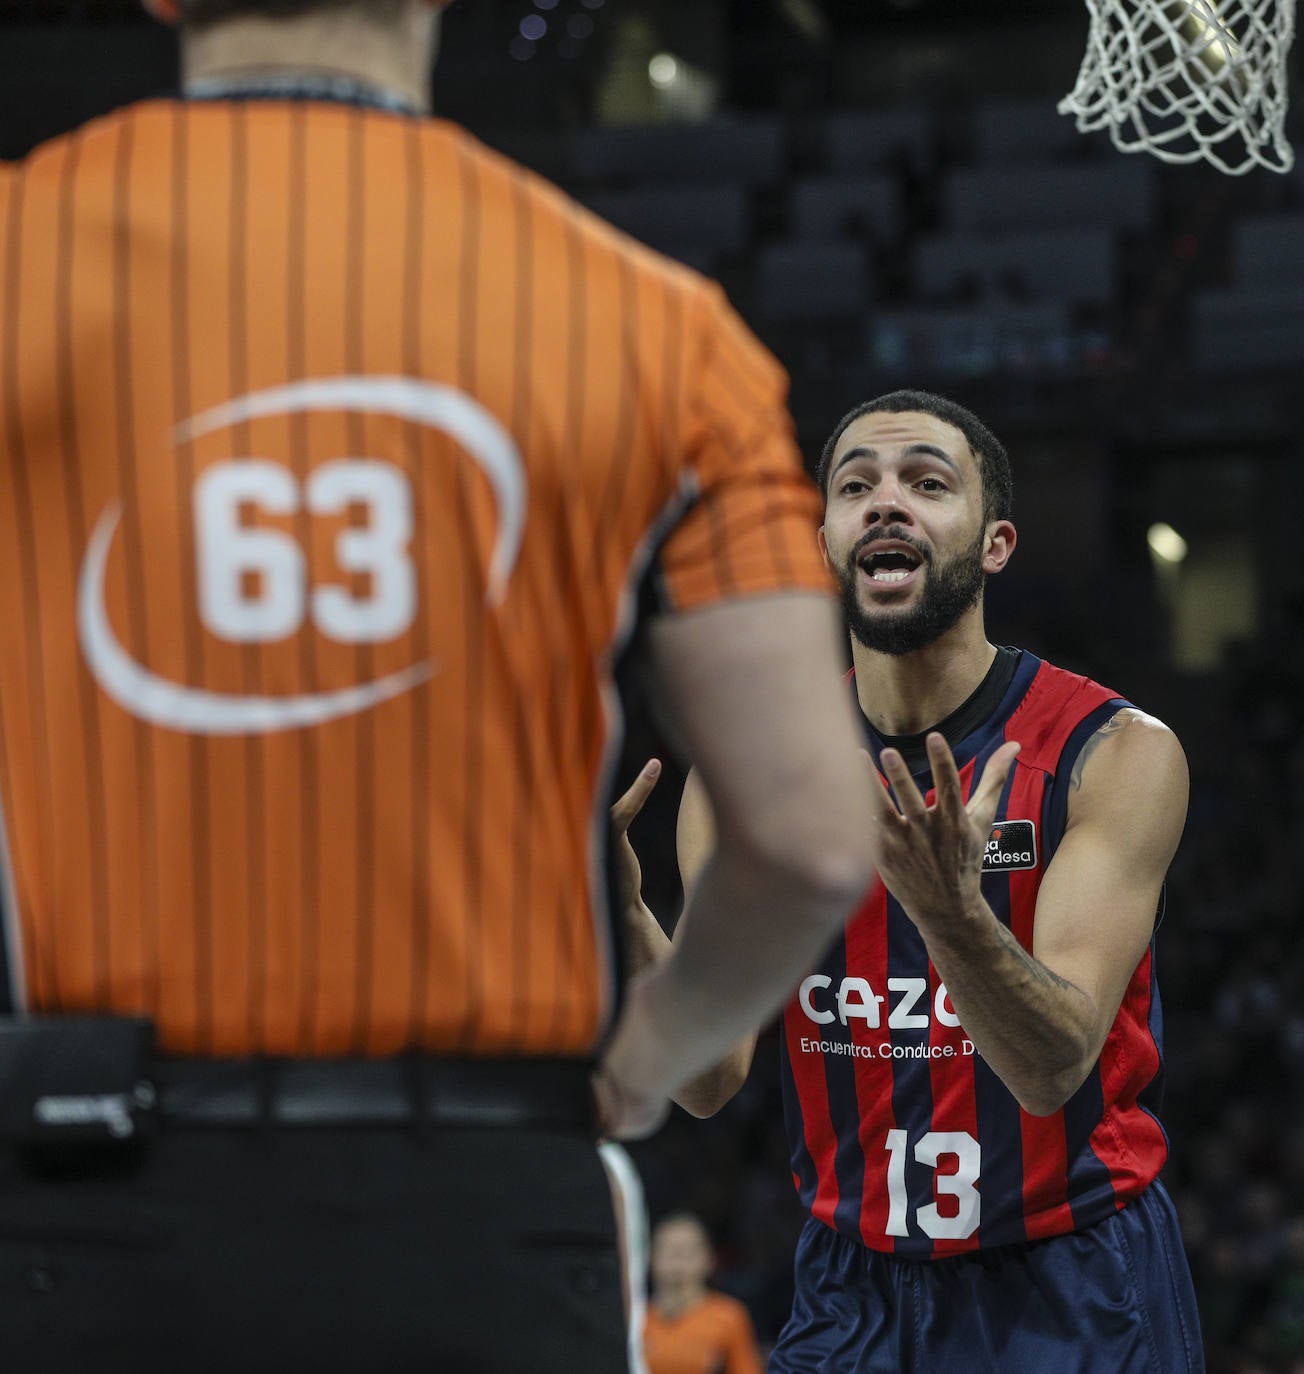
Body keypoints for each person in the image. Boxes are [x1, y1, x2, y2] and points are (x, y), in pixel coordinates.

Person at [0, 3, 880, 1370]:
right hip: (490, 1205)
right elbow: (812, 836)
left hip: (98, 1199)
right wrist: (648, 1059)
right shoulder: (659, 328)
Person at [643, 390, 1205, 1371]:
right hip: (847, 1284)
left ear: (994, 544)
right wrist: (617, 912)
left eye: (927, 483)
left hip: (1068, 1277)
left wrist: (946, 912)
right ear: (824, 542)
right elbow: (703, 1081)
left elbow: (1051, 1071)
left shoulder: (1111, 752)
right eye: (855, 485)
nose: (886, 501)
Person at [643, 1212, 764, 1374]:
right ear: (650, 1258)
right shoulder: (635, 1317)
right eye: (668, 1251)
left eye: (687, 1253)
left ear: (709, 1260)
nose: (677, 1261)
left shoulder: (729, 1317)